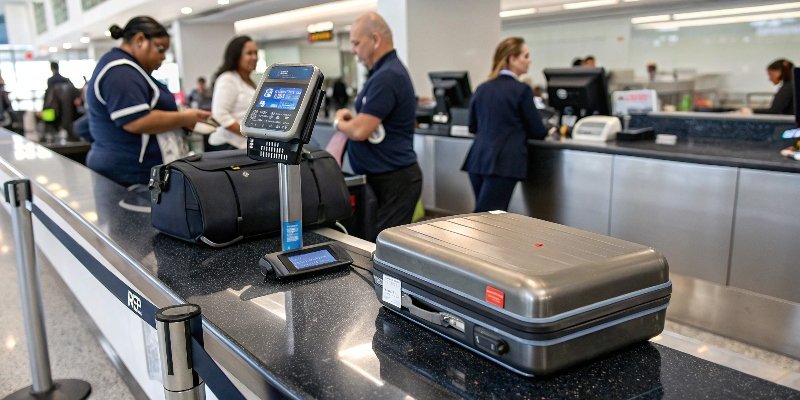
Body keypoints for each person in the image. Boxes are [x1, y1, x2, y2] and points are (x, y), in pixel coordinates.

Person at [86, 16, 210, 186]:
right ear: (140, 40)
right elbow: (136, 121)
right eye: (160, 49)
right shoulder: (120, 71)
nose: (163, 57)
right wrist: (186, 117)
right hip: (129, 175)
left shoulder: (131, 70)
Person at [334, 12, 422, 233]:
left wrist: (339, 123)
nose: (353, 50)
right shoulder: (381, 74)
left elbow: (361, 130)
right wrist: (353, 121)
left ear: (375, 39)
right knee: (372, 241)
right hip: (382, 179)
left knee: (383, 246)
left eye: (356, 43)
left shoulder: (388, 76)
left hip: (395, 181)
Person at [461, 37, 548, 212]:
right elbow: (538, 131)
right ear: (512, 59)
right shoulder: (521, 90)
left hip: (478, 160)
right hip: (504, 163)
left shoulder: (482, 88)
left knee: (484, 217)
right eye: (525, 56)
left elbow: (472, 126)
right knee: (488, 220)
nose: (529, 60)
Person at [208, 36, 258, 150]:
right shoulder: (227, 79)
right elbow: (220, 115)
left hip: (244, 146)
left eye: (256, 53)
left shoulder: (250, 81)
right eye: (249, 53)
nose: (254, 57)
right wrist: (249, 134)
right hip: (228, 146)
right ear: (236, 56)